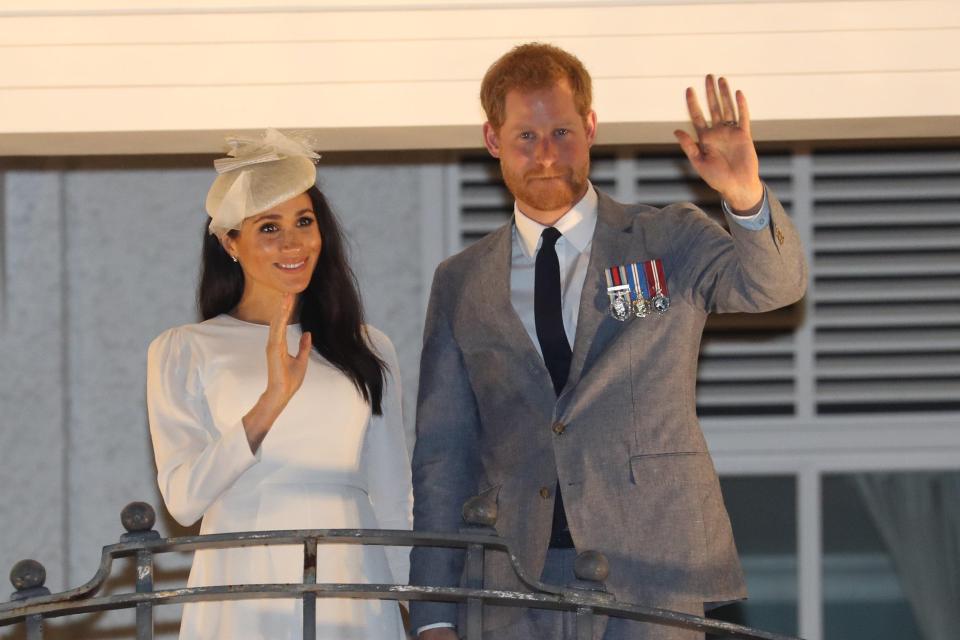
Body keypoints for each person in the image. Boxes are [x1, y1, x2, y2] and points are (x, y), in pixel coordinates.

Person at [409, 43, 807, 639]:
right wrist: (433, 613)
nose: (546, 155)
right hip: (511, 577)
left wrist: (745, 195)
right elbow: (444, 454)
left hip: (652, 565)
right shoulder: (462, 280)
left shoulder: (665, 236)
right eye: (526, 137)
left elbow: (773, 286)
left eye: (563, 131)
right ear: (493, 139)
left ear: (591, 128)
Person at [147, 129, 412, 640]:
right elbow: (182, 499)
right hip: (241, 576)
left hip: (354, 579)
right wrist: (270, 403)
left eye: (304, 222)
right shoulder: (184, 348)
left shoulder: (367, 345)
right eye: (269, 227)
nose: (292, 243)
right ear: (230, 242)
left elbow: (393, 496)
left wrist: (419, 614)